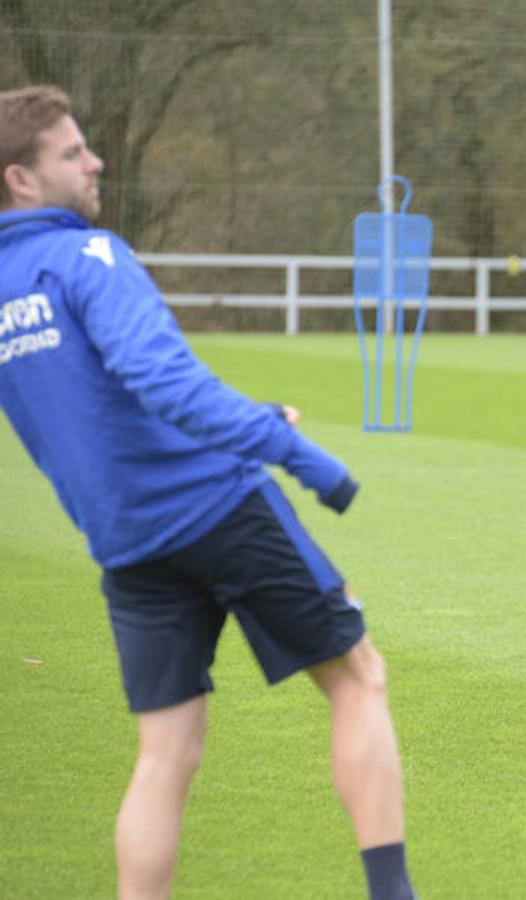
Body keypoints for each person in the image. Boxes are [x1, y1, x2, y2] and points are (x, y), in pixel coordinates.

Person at [0, 86, 415, 900]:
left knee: (165, 754)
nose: (96, 161)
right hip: (219, 511)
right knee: (357, 679)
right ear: (19, 180)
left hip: (126, 545)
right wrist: (300, 452)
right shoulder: (89, 257)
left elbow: (95, 408)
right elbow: (167, 384)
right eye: (72, 151)